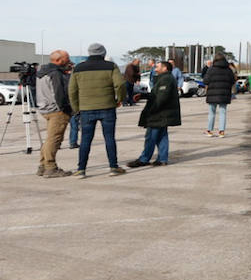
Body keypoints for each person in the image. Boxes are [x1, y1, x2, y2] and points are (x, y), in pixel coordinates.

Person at [68, 42, 128, 177]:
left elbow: (72, 91)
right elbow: (120, 84)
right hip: (107, 107)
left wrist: (77, 108)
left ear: (89, 53)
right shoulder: (111, 66)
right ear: (104, 53)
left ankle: (81, 169)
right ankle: (113, 167)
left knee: (85, 140)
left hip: (86, 109)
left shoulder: (78, 68)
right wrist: (119, 100)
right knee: (109, 138)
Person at [129, 59, 180, 167]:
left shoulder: (166, 79)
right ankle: (162, 159)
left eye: (157, 67)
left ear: (165, 68)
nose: (155, 68)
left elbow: (161, 98)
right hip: (163, 114)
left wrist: (151, 112)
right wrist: (143, 95)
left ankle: (144, 159)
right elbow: (155, 95)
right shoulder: (164, 78)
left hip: (159, 114)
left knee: (151, 137)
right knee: (162, 136)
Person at [34, 50, 75, 178]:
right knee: (55, 139)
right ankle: (50, 167)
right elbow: (59, 93)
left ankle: (43, 165)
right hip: (57, 110)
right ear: (58, 60)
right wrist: (67, 109)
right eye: (66, 58)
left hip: (45, 108)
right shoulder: (56, 74)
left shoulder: (42, 72)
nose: (68, 60)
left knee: (50, 139)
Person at [202, 52, 237, 137]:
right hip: (224, 94)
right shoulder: (228, 69)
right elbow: (233, 81)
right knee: (223, 112)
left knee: (211, 112)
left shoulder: (211, 69)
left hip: (212, 94)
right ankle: (221, 131)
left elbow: (205, 81)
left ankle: (209, 130)